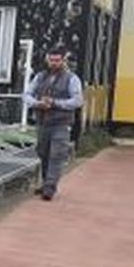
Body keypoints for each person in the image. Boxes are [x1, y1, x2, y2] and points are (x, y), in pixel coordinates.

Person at [22, 48, 85, 200]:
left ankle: (50, 187)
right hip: (42, 122)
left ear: (63, 61)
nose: (54, 63)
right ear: (47, 60)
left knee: (57, 154)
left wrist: (55, 103)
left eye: (57, 60)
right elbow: (26, 94)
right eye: (51, 60)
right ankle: (46, 183)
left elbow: (77, 101)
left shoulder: (72, 78)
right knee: (43, 153)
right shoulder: (40, 77)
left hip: (61, 123)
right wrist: (37, 103)